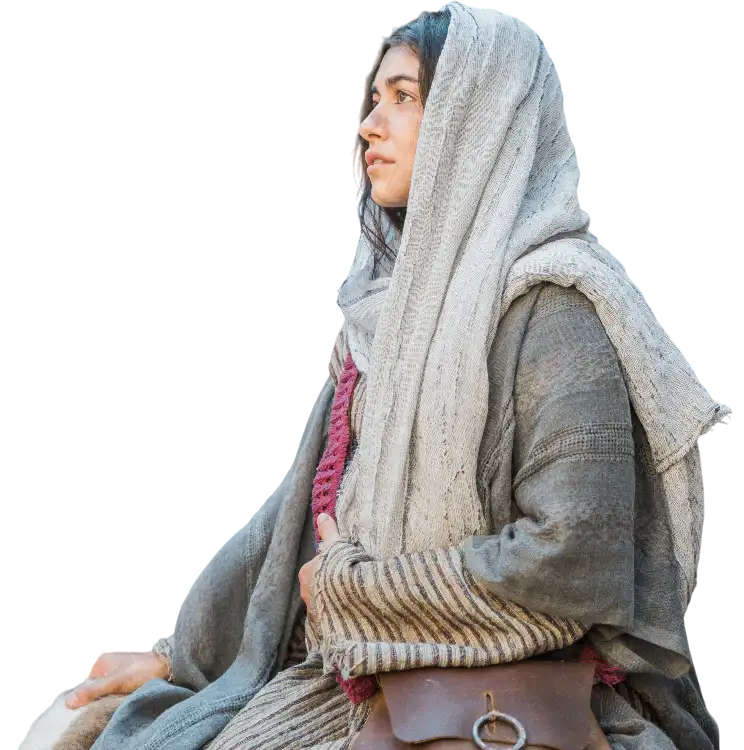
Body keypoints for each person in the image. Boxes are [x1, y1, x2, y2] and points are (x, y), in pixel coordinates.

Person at [48, 4, 722, 749]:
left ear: (479, 120)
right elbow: (292, 521)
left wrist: (358, 590)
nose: (370, 125)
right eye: (375, 99)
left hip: (509, 704)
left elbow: (575, 564)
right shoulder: (389, 319)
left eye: (404, 97)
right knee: (105, 730)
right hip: (352, 679)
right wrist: (185, 655)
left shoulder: (556, 311)